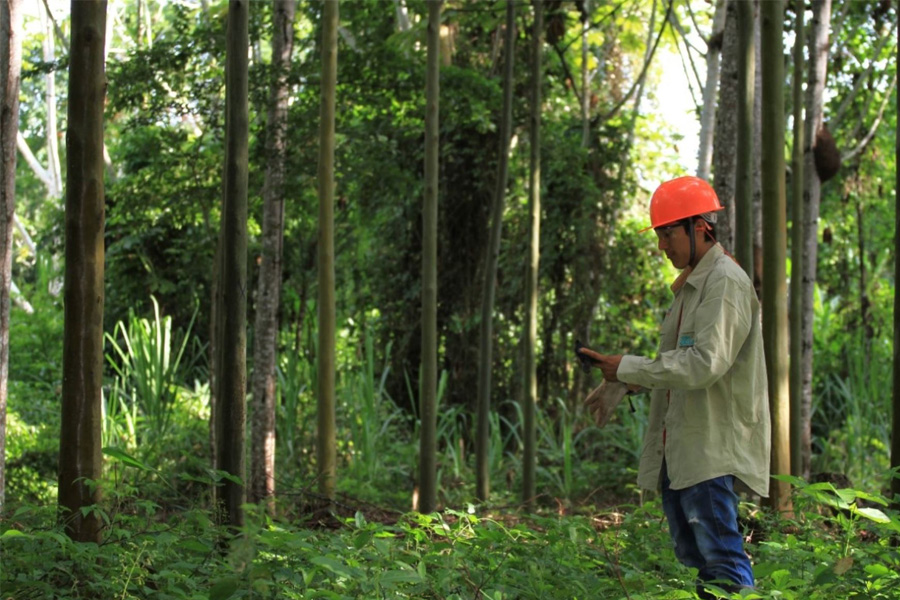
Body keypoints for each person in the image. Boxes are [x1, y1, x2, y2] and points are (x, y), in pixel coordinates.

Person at [577, 176, 771, 598]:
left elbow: (703, 365)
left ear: (700, 227)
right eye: (660, 234)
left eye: (668, 232)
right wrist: (623, 382)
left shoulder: (724, 283)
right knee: (700, 558)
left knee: (722, 559)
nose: (663, 245)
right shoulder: (690, 287)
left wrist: (627, 368)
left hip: (710, 450)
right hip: (683, 448)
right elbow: (677, 365)